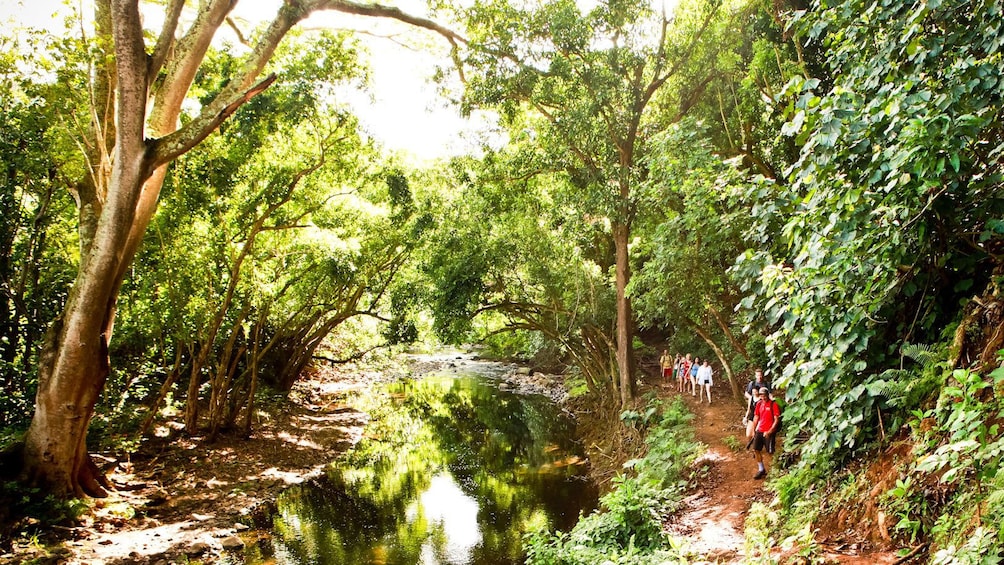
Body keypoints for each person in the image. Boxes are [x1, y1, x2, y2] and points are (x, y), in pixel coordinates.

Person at [751, 386, 781, 480]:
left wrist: (770, 431)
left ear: (767, 395)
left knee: (770, 452)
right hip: (760, 430)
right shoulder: (759, 404)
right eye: (761, 395)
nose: (763, 397)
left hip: (769, 432)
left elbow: (776, 419)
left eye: (764, 395)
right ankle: (761, 469)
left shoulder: (773, 404)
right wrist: (754, 429)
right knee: (756, 450)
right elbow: (756, 417)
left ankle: (775, 471)